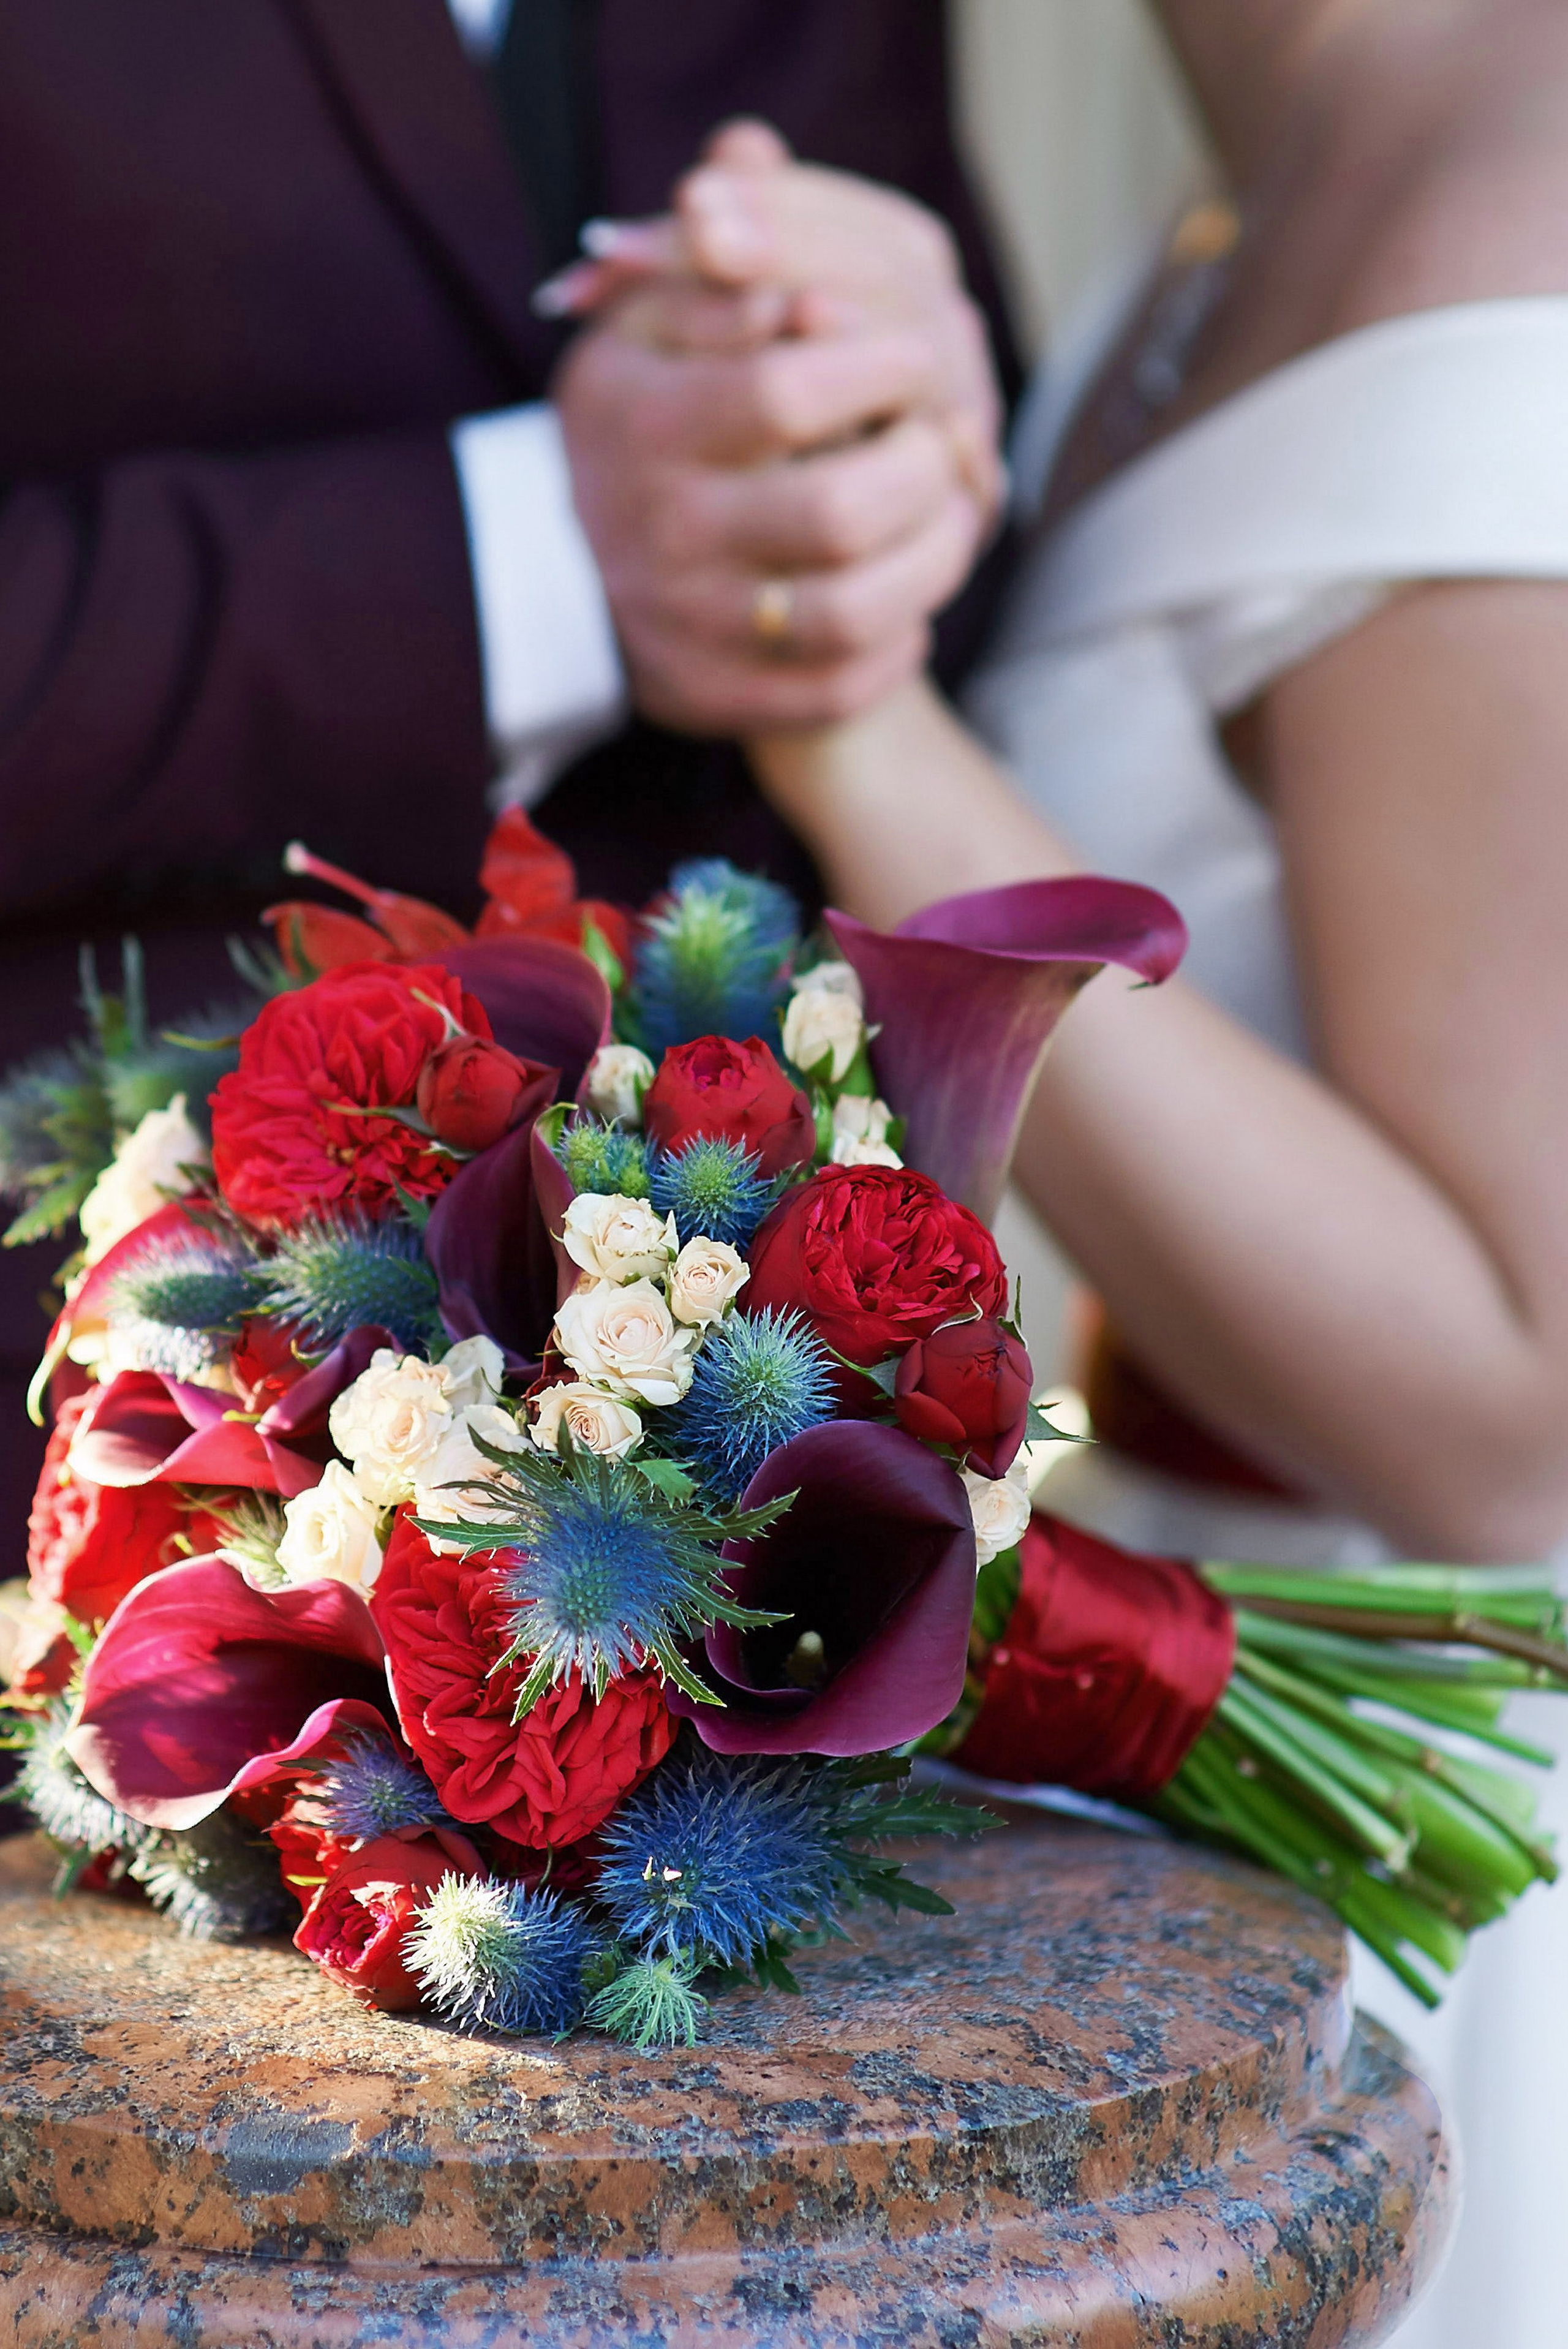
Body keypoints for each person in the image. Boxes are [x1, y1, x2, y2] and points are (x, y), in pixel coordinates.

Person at [550, 4, 1568, 2341]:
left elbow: (1513, 1393)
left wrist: (849, 717)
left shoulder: (1517, 221)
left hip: (1441, 1813)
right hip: (1194, 1783)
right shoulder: (1234, 197)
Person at [0, 0, 1019, 1544]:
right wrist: (545, 556)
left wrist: (895, 436)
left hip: (795, 1462)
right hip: (124, 1431)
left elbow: (940, 536)